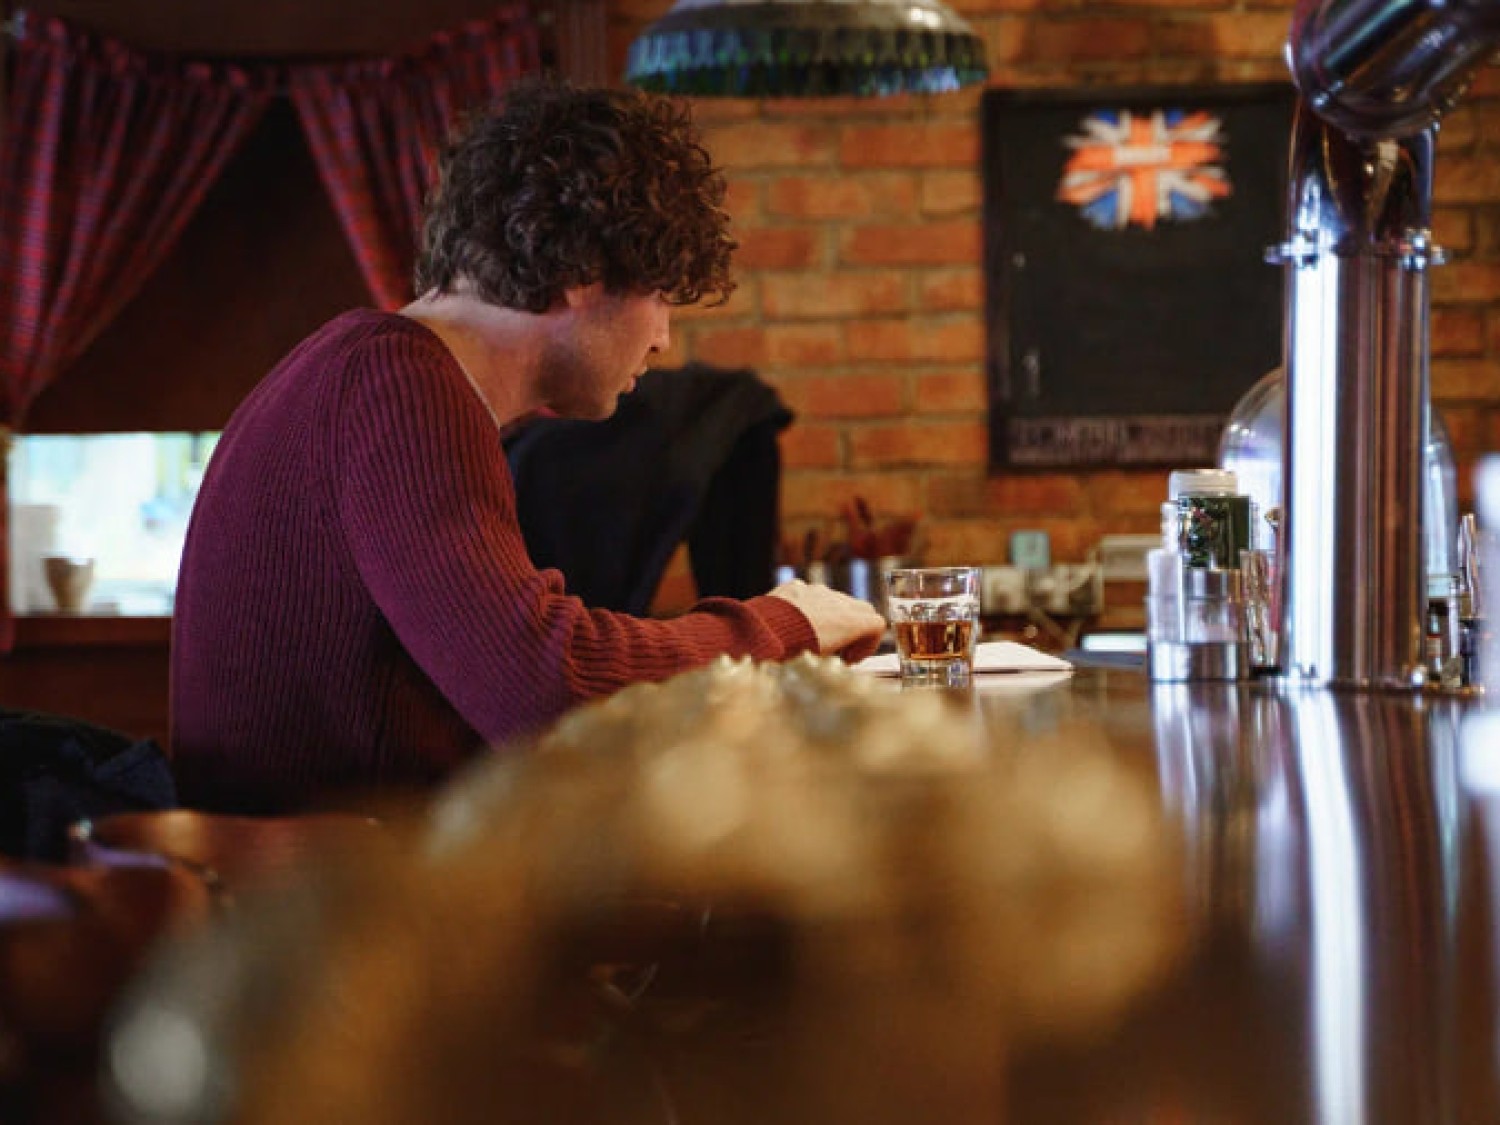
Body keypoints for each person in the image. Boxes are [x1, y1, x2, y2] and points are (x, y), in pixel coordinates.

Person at [170, 79, 886, 814]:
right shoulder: (399, 385)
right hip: (341, 877)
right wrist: (785, 625)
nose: (664, 339)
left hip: (345, 859)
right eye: (662, 296)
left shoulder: (371, 367)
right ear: (581, 272)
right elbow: (551, 690)